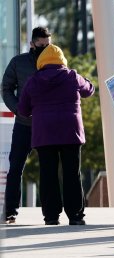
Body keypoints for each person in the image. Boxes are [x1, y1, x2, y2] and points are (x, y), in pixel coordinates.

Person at [17, 44, 95, 225]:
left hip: (44, 134)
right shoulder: (72, 76)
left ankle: (51, 216)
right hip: (70, 132)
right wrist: (87, 80)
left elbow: (22, 109)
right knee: (72, 173)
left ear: (41, 61)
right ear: (62, 61)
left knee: (48, 174)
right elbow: (89, 90)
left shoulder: (33, 80)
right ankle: (75, 215)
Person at [1, 27, 52, 224]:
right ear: (32, 43)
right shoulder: (18, 62)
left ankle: (51, 214)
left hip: (47, 124)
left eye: (48, 46)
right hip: (23, 124)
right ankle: (11, 212)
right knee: (15, 167)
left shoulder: (55, 62)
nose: (45, 49)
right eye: (41, 45)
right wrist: (18, 109)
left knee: (48, 169)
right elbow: (6, 88)